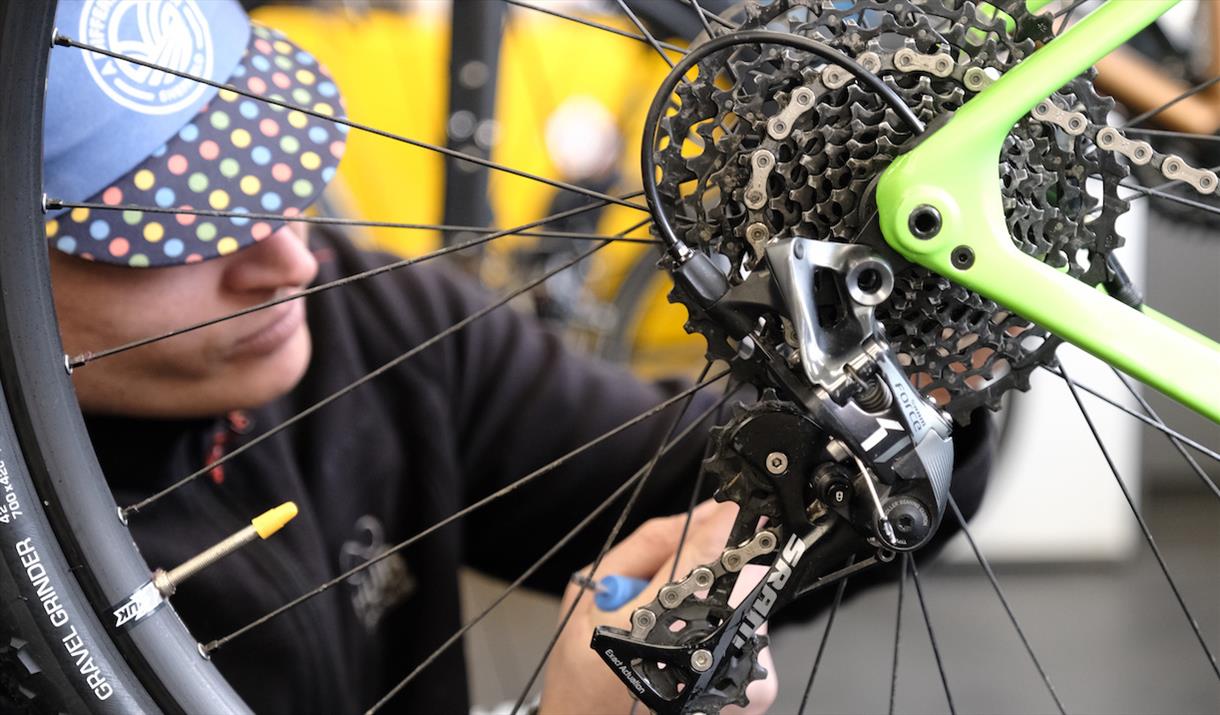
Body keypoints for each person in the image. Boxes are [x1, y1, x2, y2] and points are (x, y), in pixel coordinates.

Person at [43, 2, 991, 713]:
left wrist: (931, 347)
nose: (291, 257)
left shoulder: (369, 320)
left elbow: (689, 470)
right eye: (175, 232)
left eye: (267, 171)